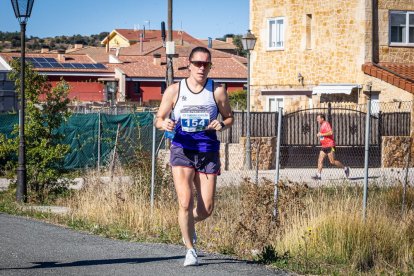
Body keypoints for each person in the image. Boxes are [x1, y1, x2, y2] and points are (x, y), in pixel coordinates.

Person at [154, 46, 233, 266]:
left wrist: (221, 124)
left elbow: (229, 118)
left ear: (210, 66)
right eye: (197, 63)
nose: (201, 67)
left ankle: (189, 224)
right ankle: (190, 249)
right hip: (182, 149)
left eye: (206, 64)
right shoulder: (174, 90)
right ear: (188, 64)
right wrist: (164, 124)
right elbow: (158, 118)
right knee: (185, 202)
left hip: (207, 151)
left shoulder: (217, 91)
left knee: (206, 209)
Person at [311, 114, 350, 180]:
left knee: (332, 161)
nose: (317, 120)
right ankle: (319, 175)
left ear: (322, 119)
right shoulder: (322, 126)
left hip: (330, 146)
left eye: (318, 118)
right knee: (320, 160)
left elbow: (331, 132)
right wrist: (320, 135)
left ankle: (345, 168)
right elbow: (323, 136)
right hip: (324, 146)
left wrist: (321, 134)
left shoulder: (326, 124)